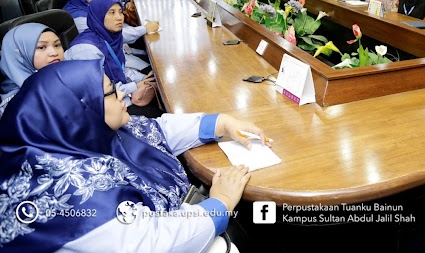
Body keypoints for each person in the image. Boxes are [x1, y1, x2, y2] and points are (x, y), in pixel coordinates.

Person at [0, 59, 269, 252]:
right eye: (108, 92)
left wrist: (222, 122)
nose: (121, 93)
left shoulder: (83, 134)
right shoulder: (68, 194)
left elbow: (156, 130)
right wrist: (220, 203)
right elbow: (156, 242)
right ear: (78, 111)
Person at [65, 0, 156, 114]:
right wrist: (135, 86)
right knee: (158, 110)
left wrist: (143, 79)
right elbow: (97, 93)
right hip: (101, 108)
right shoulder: (87, 50)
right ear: (98, 16)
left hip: (117, 94)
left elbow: (120, 69)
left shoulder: (110, 37)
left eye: (120, 12)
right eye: (112, 13)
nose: (119, 17)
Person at [0, 23, 63, 118]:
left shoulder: (68, 77)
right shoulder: (16, 106)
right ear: (20, 54)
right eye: (41, 47)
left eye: (57, 45)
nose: (54, 53)